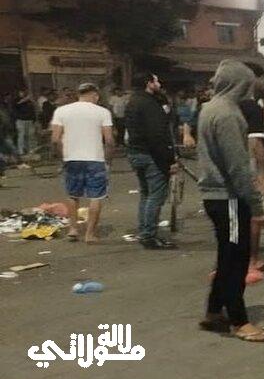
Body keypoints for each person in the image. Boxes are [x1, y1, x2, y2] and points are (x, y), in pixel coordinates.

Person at [197, 59, 264, 342]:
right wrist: (256, 205)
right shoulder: (229, 114)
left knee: (226, 256)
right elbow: (238, 167)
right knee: (237, 261)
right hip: (228, 197)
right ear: (239, 84)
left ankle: (213, 312)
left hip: (215, 195)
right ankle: (240, 321)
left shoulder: (209, 108)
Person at [50, 83, 114, 243]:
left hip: (71, 159)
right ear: (95, 95)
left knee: (73, 195)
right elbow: (109, 140)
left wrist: (63, 157)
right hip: (95, 159)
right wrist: (108, 160)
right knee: (96, 197)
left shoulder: (61, 111)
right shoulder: (103, 112)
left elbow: (55, 139)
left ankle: (73, 229)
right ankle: (90, 234)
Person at [126, 72, 178, 250]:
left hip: (136, 152)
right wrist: (169, 160)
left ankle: (144, 231)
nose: (159, 84)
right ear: (149, 83)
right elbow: (157, 134)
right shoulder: (149, 104)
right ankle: (149, 235)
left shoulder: (134, 101)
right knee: (156, 196)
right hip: (151, 155)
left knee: (146, 194)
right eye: (156, 81)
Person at [238, 62, 264, 283]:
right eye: (262, 78)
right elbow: (256, 143)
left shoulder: (227, 105)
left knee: (234, 214)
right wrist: (263, 173)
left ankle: (234, 259)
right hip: (248, 165)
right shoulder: (252, 107)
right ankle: (251, 260)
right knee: (254, 215)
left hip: (228, 166)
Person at [13, 89, 37, 156]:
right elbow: (16, 105)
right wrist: (25, 99)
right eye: (21, 92)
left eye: (24, 92)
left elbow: (33, 109)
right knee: (21, 136)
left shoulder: (29, 101)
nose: (23, 93)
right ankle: (21, 151)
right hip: (21, 120)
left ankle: (31, 150)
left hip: (29, 120)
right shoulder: (16, 100)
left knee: (30, 136)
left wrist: (34, 119)